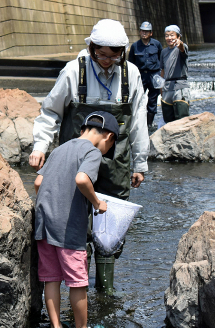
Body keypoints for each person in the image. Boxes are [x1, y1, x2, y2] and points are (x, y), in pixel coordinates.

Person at [30, 19, 149, 295]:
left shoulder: (131, 74)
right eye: (101, 54)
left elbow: (139, 121)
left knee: (110, 229)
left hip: (116, 162)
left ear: (123, 52)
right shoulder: (74, 71)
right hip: (75, 164)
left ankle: (105, 292)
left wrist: (140, 163)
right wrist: (40, 146)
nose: (107, 61)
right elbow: (50, 112)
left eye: (114, 55)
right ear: (92, 47)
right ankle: (77, 288)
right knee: (75, 226)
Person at [34, 111, 118, 328]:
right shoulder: (92, 152)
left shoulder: (59, 149)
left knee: (51, 278)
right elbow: (82, 179)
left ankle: (57, 327)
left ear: (83, 129)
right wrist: (96, 202)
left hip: (44, 223)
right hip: (68, 226)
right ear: (108, 137)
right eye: (110, 147)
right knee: (77, 281)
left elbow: (38, 183)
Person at [128, 21, 163, 127]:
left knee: (152, 100)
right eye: (142, 31)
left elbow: (161, 59)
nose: (144, 33)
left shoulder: (156, 44)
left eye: (147, 31)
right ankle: (137, 123)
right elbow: (131, 63)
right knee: (137, 99)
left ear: (151, 33)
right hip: (141, 76)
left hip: (154, 76)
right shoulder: (135, 46)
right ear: (139, 32)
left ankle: (149, 124)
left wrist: (161, 76)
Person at [160, 25, 190, 123]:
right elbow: (162, 71)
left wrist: (179, 43)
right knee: (168, 119)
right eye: (167, 36)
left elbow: (182, 48)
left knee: (182, 118)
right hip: (167, 87)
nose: (169, 38)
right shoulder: (163, 52)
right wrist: (161, 89)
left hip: (180, 86)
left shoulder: (182, 47)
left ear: (178, 36)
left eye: (172, 35)